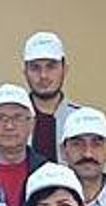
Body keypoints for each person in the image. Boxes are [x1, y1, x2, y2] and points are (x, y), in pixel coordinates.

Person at [22, 31, 79, 162]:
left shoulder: (80, 120)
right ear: (25, 72)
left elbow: (96, 171)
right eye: (35, 67)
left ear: (65, 69)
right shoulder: (8, 122)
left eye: (51, 67)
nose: (43, 75)